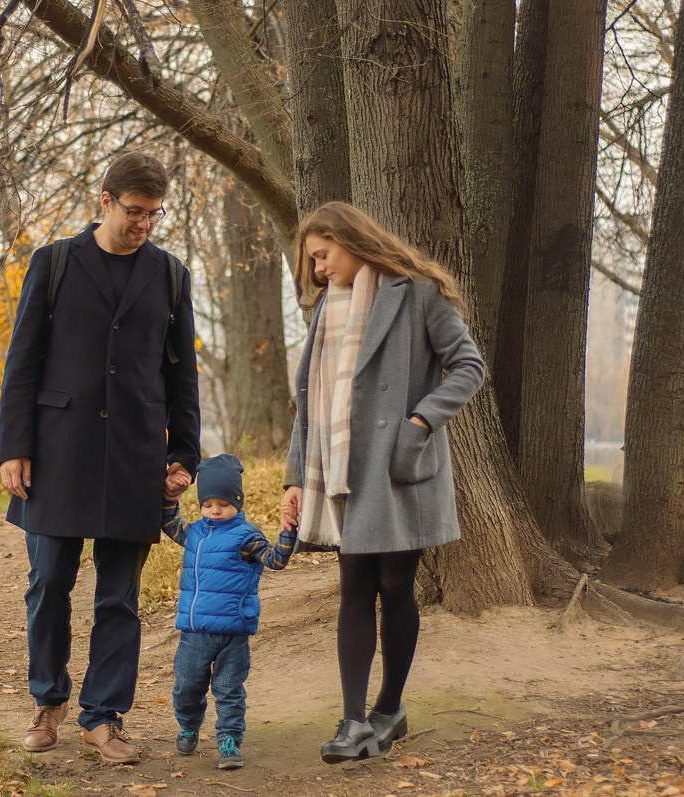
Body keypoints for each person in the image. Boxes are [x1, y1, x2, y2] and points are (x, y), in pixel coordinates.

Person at [0, 151, 200, 765]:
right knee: (49, 581)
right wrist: (15, 447)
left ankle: (103, 718)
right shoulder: (54, 262)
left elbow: (181, 373)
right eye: (135, 212)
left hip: (137, 452)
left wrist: (184, 452)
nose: (143, 224)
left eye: (154, 214)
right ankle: (47, 702)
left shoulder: (169, 274)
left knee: (120, 595)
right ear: (105, 200)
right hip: (58, 453)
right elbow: (22, 360)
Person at [278, 202, 485, 764]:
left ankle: (389, 709)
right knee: (354, 587)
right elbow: (309, 402)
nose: (318, 269)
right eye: (313, 261)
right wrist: (296, 477)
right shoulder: (325, 308)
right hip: (341, 469)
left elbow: (468, 365)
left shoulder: (417, 292)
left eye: (323, 255)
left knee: (396, 587)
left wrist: (419, 422)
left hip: (396, 470)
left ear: (351, 240)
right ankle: (352, 721)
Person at [160, 454, 297, 770]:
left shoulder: (247, 537)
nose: (215, 511)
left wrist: (288, 531)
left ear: (237, 501)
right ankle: (189, 726)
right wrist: (171, 496)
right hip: (195, 632)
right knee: (186, 686)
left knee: (229, 690)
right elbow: (168, 521)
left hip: (233, 633)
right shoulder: (194, 532)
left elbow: (276, 560)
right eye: (208, 504)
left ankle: (229, 742)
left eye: (223, 504)